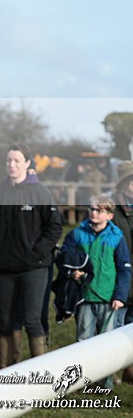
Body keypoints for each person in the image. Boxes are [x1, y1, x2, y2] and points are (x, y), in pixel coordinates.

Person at [0, 144, 62, 369]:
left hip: (34, 268)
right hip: (5, 269)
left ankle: (40, 373)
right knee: (5, 322)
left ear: (28, 163)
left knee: (32, 320)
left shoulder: (40, 193)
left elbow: (54, 227)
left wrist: (37, 252)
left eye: (17, 160)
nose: (12, 165)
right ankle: (8, 370)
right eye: (9, 160)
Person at [59, 195, 130, 390]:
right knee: (83, 339)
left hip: (108, 298)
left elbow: (124, 269)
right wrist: (72, 271)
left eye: (98, 210)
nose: (93, 213)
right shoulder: (77, 234)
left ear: (108, 214)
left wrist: (119, 296)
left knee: (106, 342)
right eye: (91, 209)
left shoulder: (117, 237)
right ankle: (84, 381)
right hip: (84, 297)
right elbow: (65, 255)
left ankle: (105, 382)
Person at [111, 161, 133, 382]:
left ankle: (130, 370)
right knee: (116, 325)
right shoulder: (112, 209)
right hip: (118, 275)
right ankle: (112, 370)